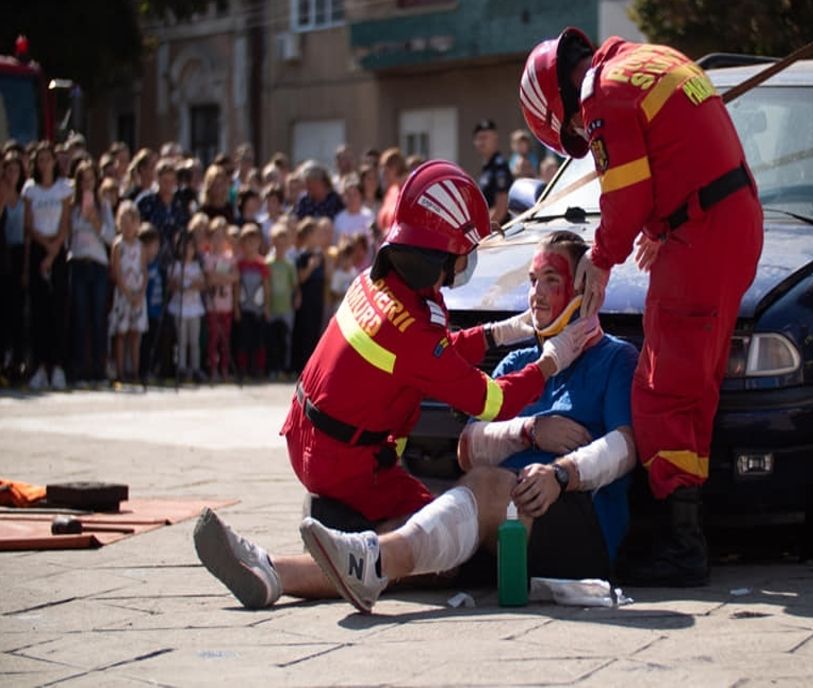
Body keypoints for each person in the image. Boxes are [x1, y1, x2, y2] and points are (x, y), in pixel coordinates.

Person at [192, 160, 595, 610]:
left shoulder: (375, 283)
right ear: (438, 257)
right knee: (437, 538)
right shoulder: (413, 332)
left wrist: (498, 333)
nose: (465, 264)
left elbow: (429, 353)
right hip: (347, 463)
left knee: (437, 518)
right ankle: (293, 568)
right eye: (463, 254)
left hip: (307, 437)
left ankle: (275, 569)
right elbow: (491, 400)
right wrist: (549, 362)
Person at [519, 28, 764, 585]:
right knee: (694, 384)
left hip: (701, 233)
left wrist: (602, 258)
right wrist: (662, 224)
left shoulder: (602, 93)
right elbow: (672, 155)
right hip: (729, 218)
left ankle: (679, 546)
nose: (585, 132)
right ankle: (688, 533)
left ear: (562, 104)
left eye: (576, 131)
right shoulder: (655, 58)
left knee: (661, 391)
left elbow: (624, 192)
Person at [23, 141, 73, 391]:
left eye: (47, 158)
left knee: (58, 309)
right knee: (39, 310)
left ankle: (58, 366)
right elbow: (29, 226)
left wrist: (54, 251)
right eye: (39, 159)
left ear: (54, 161)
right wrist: (44, 248)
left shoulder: (64, 188)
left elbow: (65, 223)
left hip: (58, 250)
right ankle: (41, 366)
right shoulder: (30, 189)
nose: (44, 163)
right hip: (39, 250)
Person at [67, 161, 115, 385]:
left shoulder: (103, 205)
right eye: (83, 179)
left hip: (98, 265)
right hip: (78, 262)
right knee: (80, 317)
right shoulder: (72, 206)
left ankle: (98, 368)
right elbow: (68, 236)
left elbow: (110, 237)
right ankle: (79, 369)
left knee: (98, 318)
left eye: (91, 179)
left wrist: (95, 221)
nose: (87, 183)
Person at [108, 205, 148, 384]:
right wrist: (127, 294)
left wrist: (140, 293)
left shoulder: (140, 246)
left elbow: (144, 271)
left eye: (131, 222)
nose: (128, 226)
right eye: (124, 222)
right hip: (123, 295)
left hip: (138, 295)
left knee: (136, 335)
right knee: (121, 334)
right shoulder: (118, 245)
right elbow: (115, 272)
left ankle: (135, 371)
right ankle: (120, 371)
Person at [1, 152, 28, 383]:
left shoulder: (25, 197)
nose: (12, 175)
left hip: (20, 256)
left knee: (17, 314)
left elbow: (27, 233)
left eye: (15, 170)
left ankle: (17, 363)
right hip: (3, 254)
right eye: (7, 170)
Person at [167, 229, 206, 383]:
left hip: (194, 308)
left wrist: (193, 285)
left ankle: (195, 368)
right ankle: (181, 368)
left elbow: (202, 284)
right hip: (180, 307)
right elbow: (172, 285)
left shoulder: (197, 266)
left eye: (190, 247)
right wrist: (178, 284)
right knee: (181, 340)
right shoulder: (175, 266)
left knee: (194, 341)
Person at [203, 220, 238, 382]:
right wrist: (225, 278)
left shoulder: (230, 258)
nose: (218, 241)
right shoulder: (207, 258)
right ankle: (213, 369)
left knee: (226, 339)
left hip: (227, 305)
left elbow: (235, 277)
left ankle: (224, 368)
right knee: (213, 339)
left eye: (221, 237)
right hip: (213, 306)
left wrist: (220, 277)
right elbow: (209, 280)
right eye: (215, 237)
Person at [137, 159, 190, 265]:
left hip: (174, 260)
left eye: (171, 181)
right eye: (165, 181)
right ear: (157, 180)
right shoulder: (145, 201)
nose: (168, 185)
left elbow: (186, 228)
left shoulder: (180, 204)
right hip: (149, 258)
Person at [234, 224, 269, 380]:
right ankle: (243, 368)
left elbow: (266, 287)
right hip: (244, 307)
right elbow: (236, 286)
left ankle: (258, 368)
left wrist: (267, 307)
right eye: (248, 242)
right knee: (243, 340)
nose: (251, 245)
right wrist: (236, 307)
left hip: (259, 309)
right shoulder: (239, 264)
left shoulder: (262, 264)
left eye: (254, 242)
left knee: (259, 340)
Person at [291, 217, 325, 372]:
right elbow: (300, 278)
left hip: (317, 298)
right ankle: (302, 365)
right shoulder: (302, 257)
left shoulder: (320, 256)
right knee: (304, 332)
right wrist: (310, 267)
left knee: (315, 332)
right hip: (306, 298)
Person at [266, 222, 297, 377]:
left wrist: (297, 298)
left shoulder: (289, 264)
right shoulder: (268, 263)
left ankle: (284, 368)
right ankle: (272, 368)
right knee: (272, 341)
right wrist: (266, 307)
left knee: (285, 341)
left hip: (286, 308)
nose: (281, 245)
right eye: (277, 242)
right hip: (272, 307)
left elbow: (294, 285)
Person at [472, 119, 513, 225]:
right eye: (478, 138)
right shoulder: (487, 167)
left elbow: (501, 209)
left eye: (485, 138)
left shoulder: (499, 166)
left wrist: (482, 231)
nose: (481, 142)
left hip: (497, 231)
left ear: (495, 139)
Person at [138, 225, 164, 383]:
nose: (155, 249)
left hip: (156, 310)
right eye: (152, 246)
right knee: (145, 343)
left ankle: (152, 369)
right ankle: (142, 370)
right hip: (145, 310)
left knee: (154, 342)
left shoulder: (157, 264)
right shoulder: (142, 266)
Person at [332, 174, 374, 240]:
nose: (352, 198)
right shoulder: (339, 219)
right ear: (344, 198)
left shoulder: (369, 215)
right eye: (348, 195)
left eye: (355, 194)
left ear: (361, 196)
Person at [375, 147, 406, 233]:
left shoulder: (409, 190)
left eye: (385, 171)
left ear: (395, 168)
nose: (383, 175)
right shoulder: (391, 190)